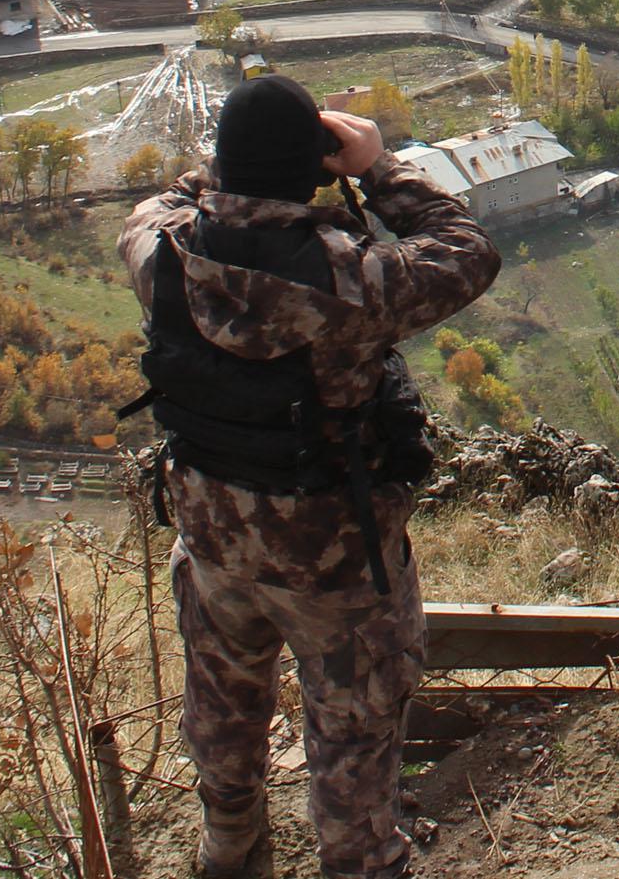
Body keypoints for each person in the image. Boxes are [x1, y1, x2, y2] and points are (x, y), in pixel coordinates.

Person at [119, 74, 501, 879]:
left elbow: (160, 202)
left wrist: (225, 164)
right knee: (353, 738)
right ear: (315, 168)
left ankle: (228, 848)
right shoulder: (351, 285)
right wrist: (379, 168)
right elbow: (469, 250)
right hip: (334, 560)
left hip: (214, 543)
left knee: (223, 714)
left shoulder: (161, 256)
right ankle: (357, 861)